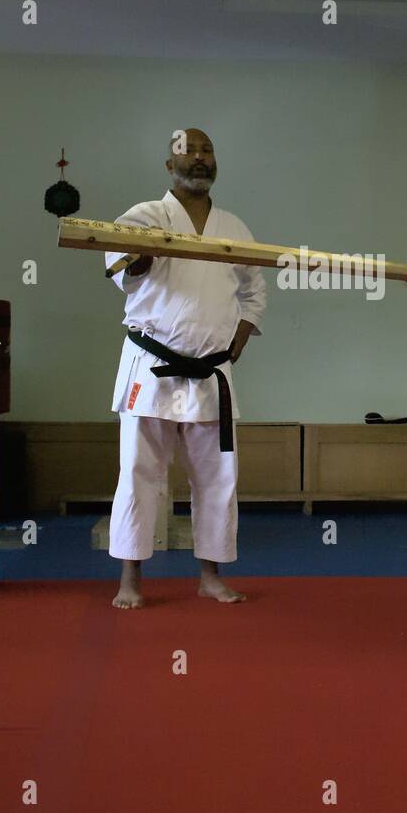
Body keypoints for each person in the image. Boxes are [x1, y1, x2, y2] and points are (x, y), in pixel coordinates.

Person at [106, 128, 266, 608]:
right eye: (188, 151)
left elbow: (254, 289)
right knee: (139, 472)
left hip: (211, 371)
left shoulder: (234, 227)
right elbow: (119, 270)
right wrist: (140, 258)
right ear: (168, 164)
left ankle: (209, 576)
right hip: (151, 363)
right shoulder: (143, 217)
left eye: (207, 151)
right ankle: (130, 579)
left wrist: (239, 338)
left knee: (217, 476)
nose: (199, 159)